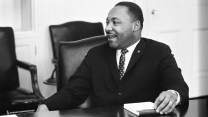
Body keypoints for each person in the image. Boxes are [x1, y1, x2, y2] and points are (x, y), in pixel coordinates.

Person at [37, 1, 189, 115]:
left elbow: (178, 86)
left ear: (135, 26)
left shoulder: (159, 51)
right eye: (107, 22)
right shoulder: (95, 54)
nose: (108, 28)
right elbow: (73, 92)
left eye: (115, 22)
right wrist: (45, 105)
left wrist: (172, 94)